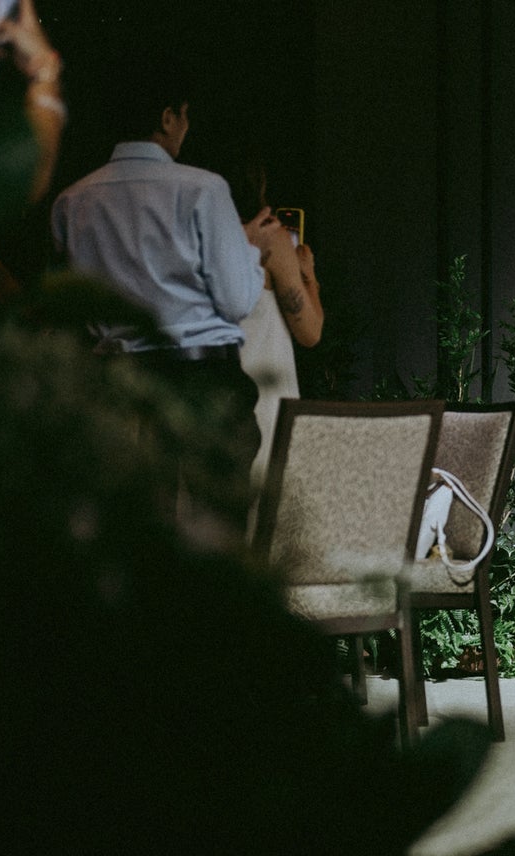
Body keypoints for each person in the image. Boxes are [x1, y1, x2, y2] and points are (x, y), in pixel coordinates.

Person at [51, 59, 263, 524]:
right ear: (169, 117)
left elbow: (82, 310)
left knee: (138, 535)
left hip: (119, 386)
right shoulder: (203, 190)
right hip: (205, 382)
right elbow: (236, 300)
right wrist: (250, 255)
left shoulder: (71, 202)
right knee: (218, 533)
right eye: (183, 116)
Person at [224, 156, 323, 484]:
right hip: (267, 393)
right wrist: (308, 275)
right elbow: (310, 331)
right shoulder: (272, 239)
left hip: (214, 392)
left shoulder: (191, 238)